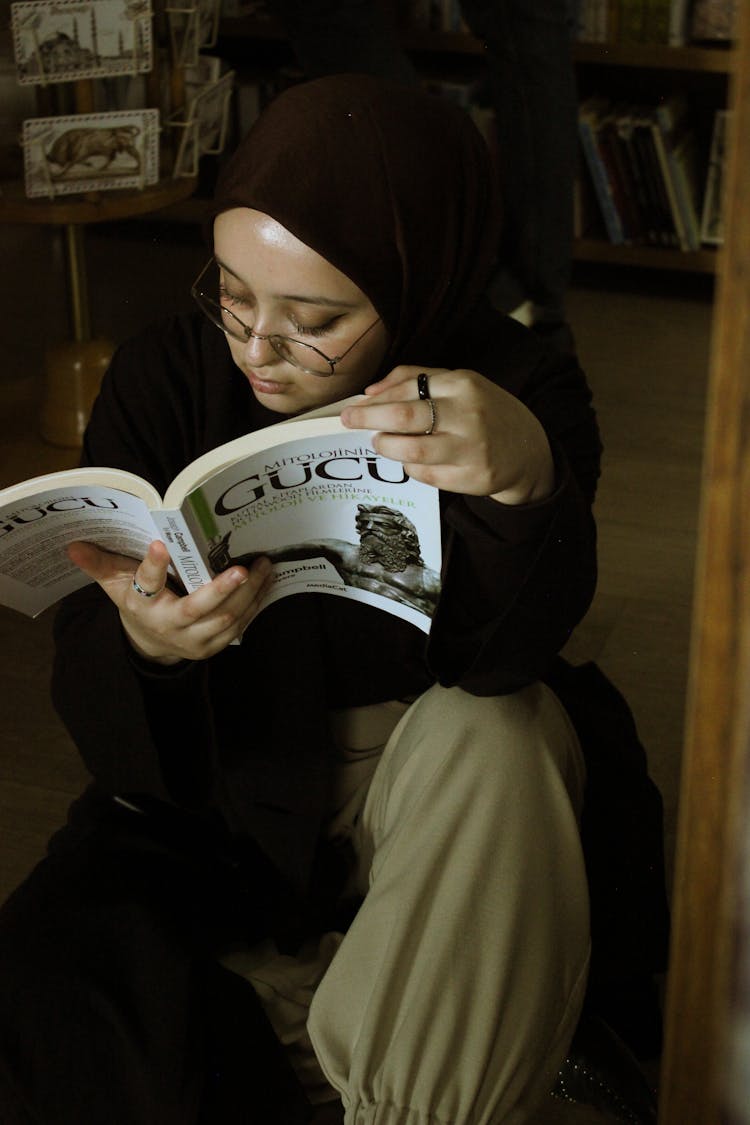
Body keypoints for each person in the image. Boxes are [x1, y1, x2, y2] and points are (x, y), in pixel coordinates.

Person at [0, 75, 665, 1125]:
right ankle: (381, 1024)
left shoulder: (514, 386)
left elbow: (506, 655)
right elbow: (118, 745)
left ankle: (392, 1077)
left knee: (500, 728)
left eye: (314, 321)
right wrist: (150, 641)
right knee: (65, 982)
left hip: (433, 783)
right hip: (231, 787)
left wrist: (526, 485)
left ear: (416, 285)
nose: (257, 347)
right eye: (230, 291)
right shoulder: (166, 375)